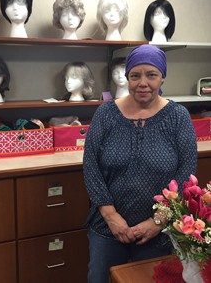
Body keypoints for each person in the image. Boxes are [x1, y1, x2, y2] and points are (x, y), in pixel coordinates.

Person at [83, 44, 197, 283]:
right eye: (135, 75)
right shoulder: (106, 114)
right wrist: (111, 215)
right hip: (107, 228)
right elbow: (91, 166)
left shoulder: (178, 117)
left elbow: (186, 173)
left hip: (159, 232)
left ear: (162, 77)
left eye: (151, 75)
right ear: (127, 78)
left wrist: (158, 221)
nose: (143, 83)